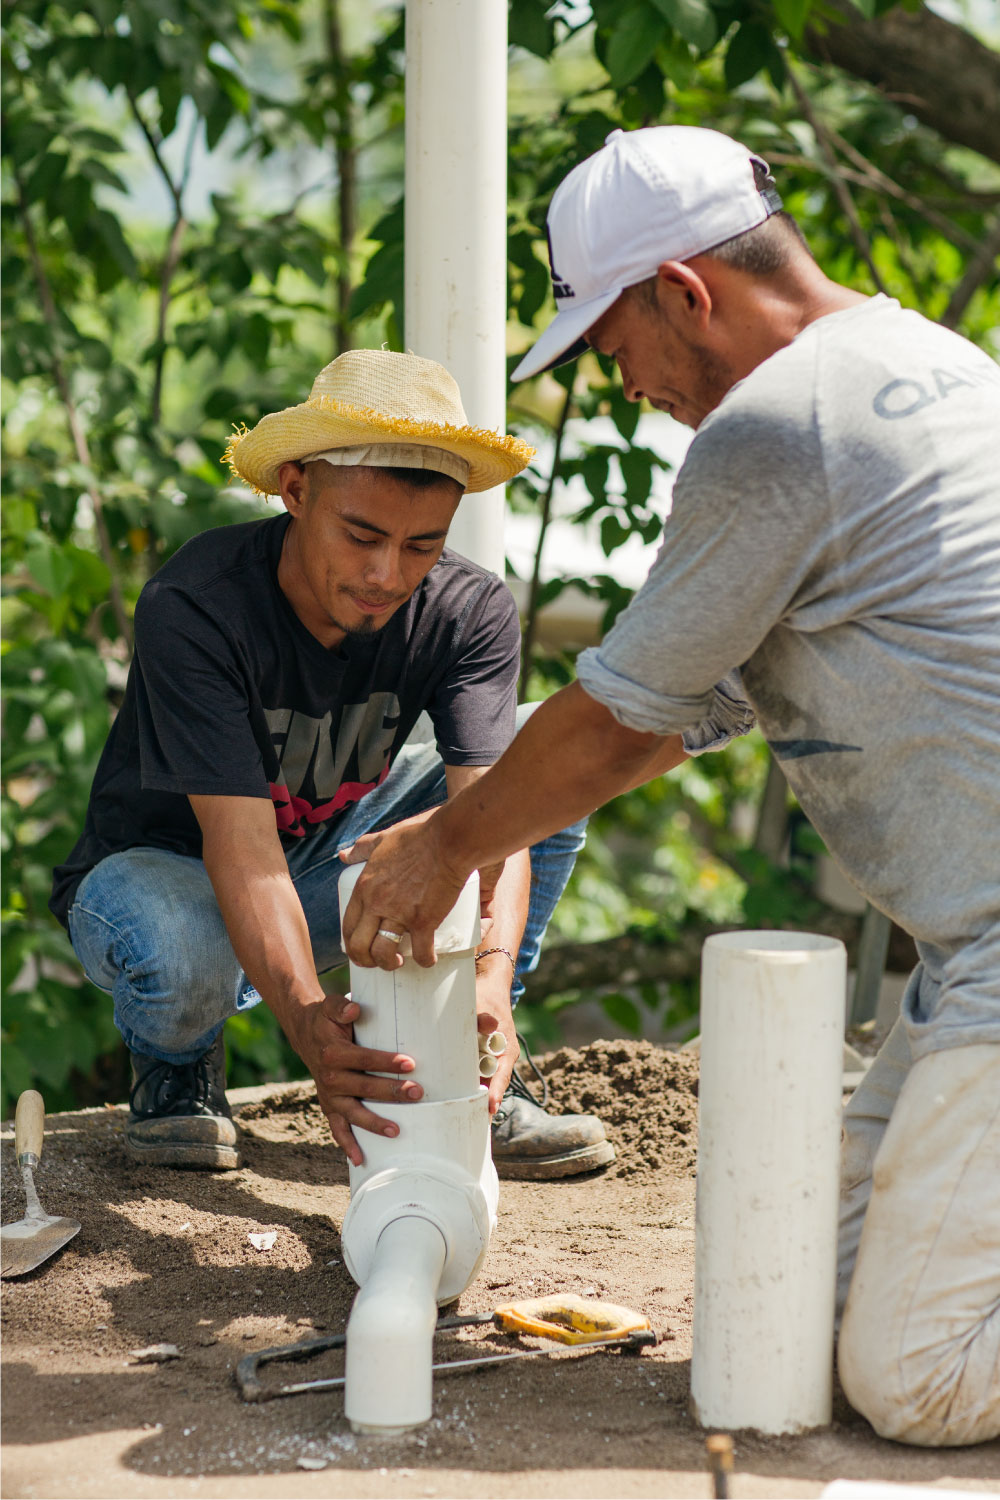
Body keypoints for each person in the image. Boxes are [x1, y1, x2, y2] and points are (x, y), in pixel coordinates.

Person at [338, 128, 1000, 1446]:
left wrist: (445, 850)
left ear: (683, 292)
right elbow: (673, 707)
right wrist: (479, 797)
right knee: (800, 1331)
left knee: (916, 1379)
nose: (626, 383)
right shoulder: (927, 361)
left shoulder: (775, 428)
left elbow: (617, 728)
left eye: (611, 344)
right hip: (969, 962)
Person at [50, 348, 616, 1181]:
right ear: (296, 490)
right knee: (181, 942)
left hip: (336, 864)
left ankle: (478, 1054)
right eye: (362, 536)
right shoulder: (198, 603)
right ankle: (175, 1070)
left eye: (422, 546)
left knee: (549, 767)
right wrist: (312, 1022)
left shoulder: (471, 610)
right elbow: (240, 848)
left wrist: (490, 978)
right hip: (171, 881)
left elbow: (500, 816)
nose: (388, 575)